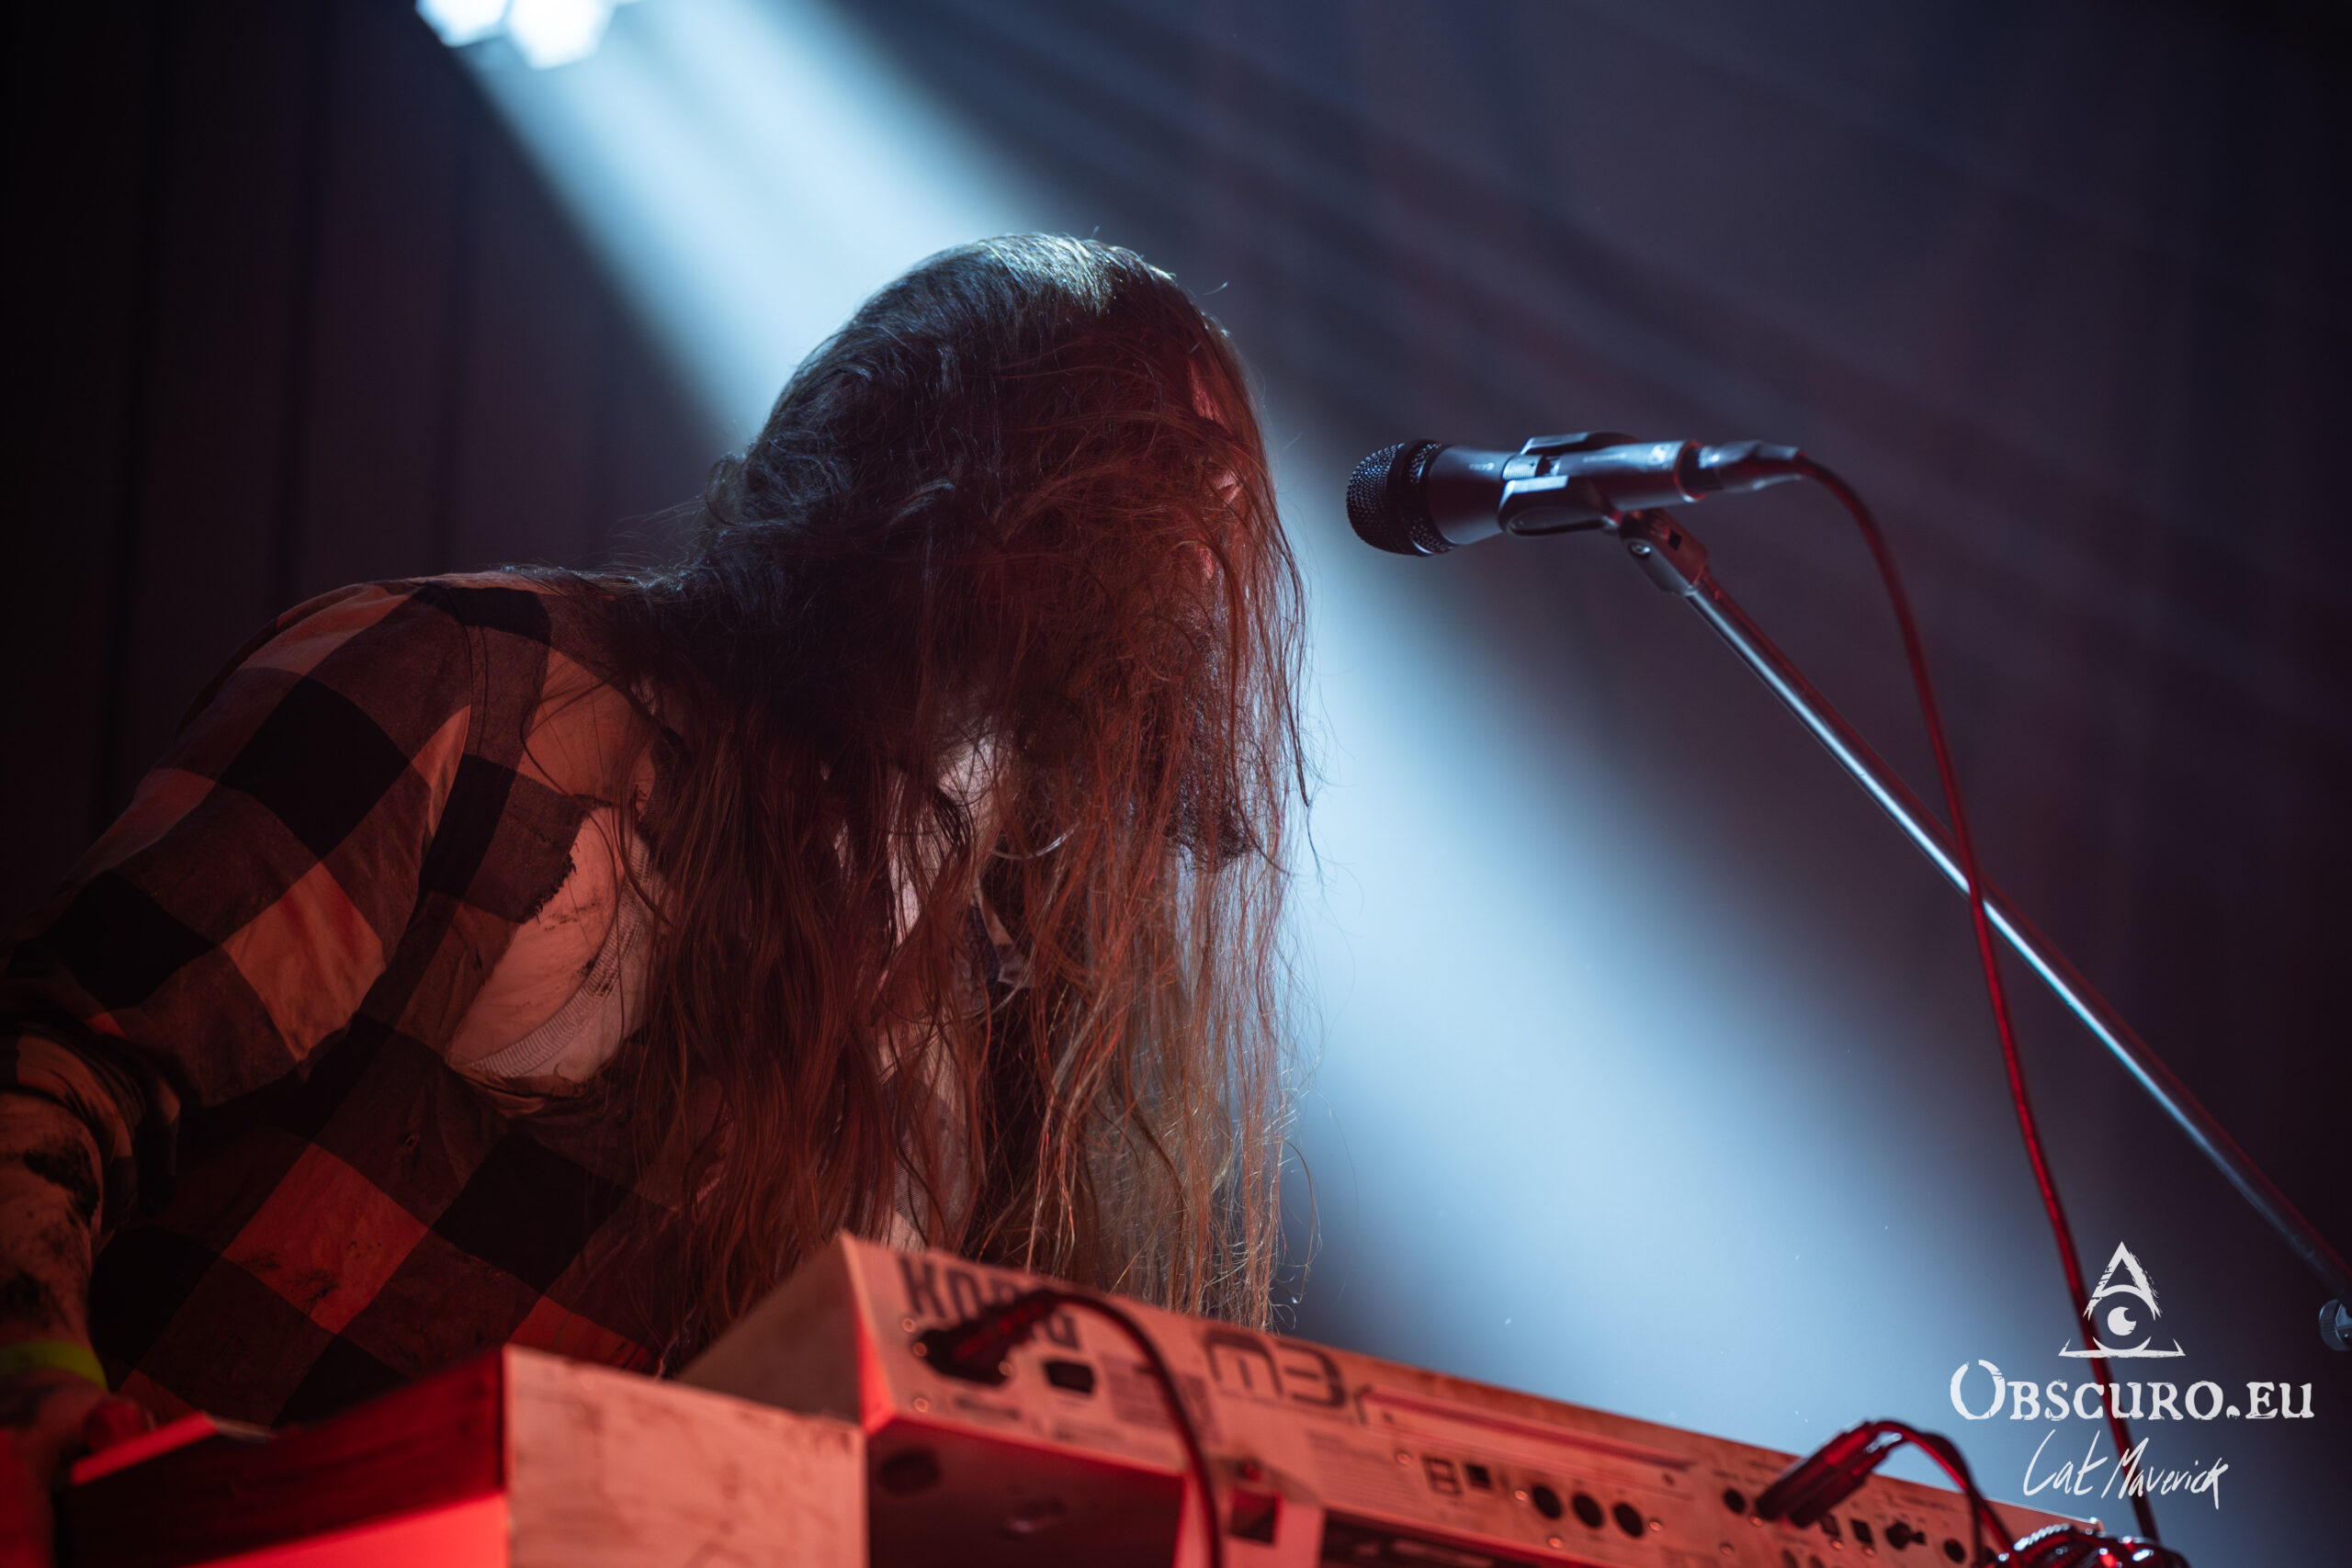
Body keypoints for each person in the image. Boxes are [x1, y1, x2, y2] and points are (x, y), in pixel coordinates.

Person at [0, 235, 1304, 1551]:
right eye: (1138, 455)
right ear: (939, 451)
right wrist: (35, 1400)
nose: (1197, 537)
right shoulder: (473, 692)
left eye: (1222, 494)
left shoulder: (999, 1016)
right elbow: (57, 1060)